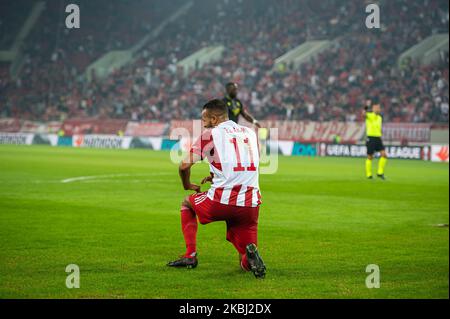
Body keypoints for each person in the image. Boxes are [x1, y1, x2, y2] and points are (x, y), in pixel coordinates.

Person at [167, 99, 266, 279]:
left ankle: (190, 255)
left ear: (213, 119)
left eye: (204, 119)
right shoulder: (250, 133)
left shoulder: (209, 135)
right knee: (245, 258)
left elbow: (183, 166)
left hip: (221, 201)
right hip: (250, 204)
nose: (203, 123)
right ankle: (250, 256)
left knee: (186, 204)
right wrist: (217, 175)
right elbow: (245, 163)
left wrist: (187, 185)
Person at [364, 99, 388, 180]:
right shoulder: (370, 115)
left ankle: (380, 173)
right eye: (376, 108)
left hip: (378, 138)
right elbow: (363, 114)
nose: (378, 109)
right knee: (370, 157)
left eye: (379, 108)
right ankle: (369, 174)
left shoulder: (380, 118)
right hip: (370, 138)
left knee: (384, 155)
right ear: (373, 108)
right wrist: (366, 106)